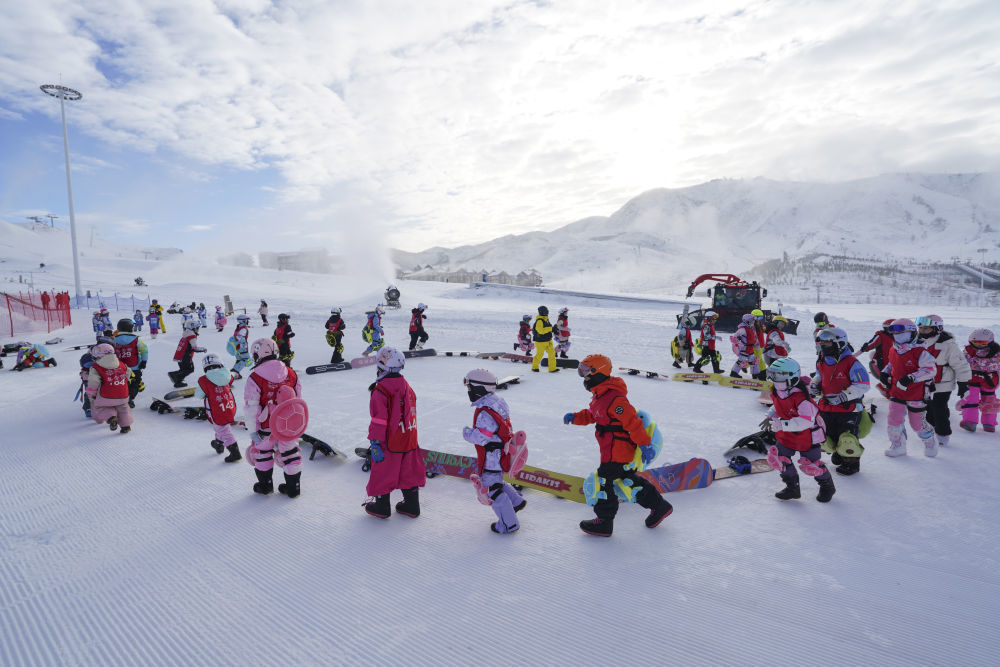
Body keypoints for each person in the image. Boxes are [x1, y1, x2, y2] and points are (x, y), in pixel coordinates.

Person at [564, 354, 673, 537]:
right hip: (611, 451)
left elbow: (633, 423)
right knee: (628, 481)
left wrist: (645, 445)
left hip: (618, 452)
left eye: (586, 372)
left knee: (604, 481)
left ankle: (604, 522)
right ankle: (659, 506)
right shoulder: (601, 395)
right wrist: (575, 417)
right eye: (581, 372)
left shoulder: (615, 399)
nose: (584, 377)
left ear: (597, 372)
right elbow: (593, 414)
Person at [462, 368, 526, 534]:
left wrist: (467, 433)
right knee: (496, 480)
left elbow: (481, 437)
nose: (468, 391)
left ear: (479, 388)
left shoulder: (485, 413)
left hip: (492, 457)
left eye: (469, 387)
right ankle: (516, 502)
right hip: (500, 454)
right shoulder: (497, 402)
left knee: (492, 489)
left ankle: (508, 524)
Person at [364, 347, 425, 518]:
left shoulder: (381, 390)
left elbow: (379, 420)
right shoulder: (406, 386)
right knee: (409, 471)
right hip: (409, 438)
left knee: (383, 472)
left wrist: (375, 442)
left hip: (389, 441)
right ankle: (412, 505)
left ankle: (382, 507)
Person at [764, 358, 836, 502]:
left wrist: (782, 424)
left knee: (811, 464)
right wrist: (771, 415)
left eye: (778, 376)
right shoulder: (778, 391)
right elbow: (778, 406)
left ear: (792, 377)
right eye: (772, 374)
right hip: (787, 435)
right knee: (780, 459)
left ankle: (827, 486)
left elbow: (805, 421)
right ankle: (792, 488)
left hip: (807, 437)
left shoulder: (802, 399)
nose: (773, 379)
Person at [244, 338, 303, 497]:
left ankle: (265, 485)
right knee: (290, 453)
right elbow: (298, 398)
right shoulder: (290, 372)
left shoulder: (255, 378)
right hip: (289, 424)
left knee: (262, 453)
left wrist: (251, 430)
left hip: (265, 425)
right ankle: (294, 487)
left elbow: (251, 408)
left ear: (257, 354)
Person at [809, 327, 870, 475]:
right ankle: (840, 452)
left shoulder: (851, 362)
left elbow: (863, 385)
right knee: (827, 434)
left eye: (827, 343)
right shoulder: (822, 359)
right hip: (827, 406)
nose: (823, 346)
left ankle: (852, 463)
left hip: (848, 408)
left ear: (840, 343)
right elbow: (819, 375)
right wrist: (815, 384)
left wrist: (844, 396)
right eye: (821, 342)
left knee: (847, 437)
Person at [882, 318, 938, 458]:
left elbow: (930, 370)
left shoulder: (920, 352)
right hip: (897, 391)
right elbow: (892, 364)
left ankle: (929, 440)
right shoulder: (893, 349)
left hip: (916, 394)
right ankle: (898, 445)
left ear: (912, 333)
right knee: (893, 420)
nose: (897, 337)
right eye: (895, 334)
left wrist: (911, 378)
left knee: (917, 424)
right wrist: (885, 372)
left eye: (902, 333)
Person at [917, 315, 971, 446]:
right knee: (928, 408)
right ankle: (930, 429)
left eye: (926, 329)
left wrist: (963, 383)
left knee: (939, 409)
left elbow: (961, 365)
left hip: (942, 384)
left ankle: (943, 435)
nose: (922, 331)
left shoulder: (948, 345)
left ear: (937, 329)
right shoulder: (917, 342)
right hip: (924, 384)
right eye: (920, 328)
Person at [196, 354, 242, 463]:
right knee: (221, 427)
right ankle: (218, 443)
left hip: (216, 411)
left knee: (223, 429)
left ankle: (235, 454)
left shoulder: (204, 380)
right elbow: (233, 375)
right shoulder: (227, 375)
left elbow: (198, 395)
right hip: (229, 407)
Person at [86, 343, 134, 434]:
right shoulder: (121, 363)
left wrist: (91, 394)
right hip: (123, 394)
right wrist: (121, 382)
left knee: (101, 406)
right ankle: (126, 426)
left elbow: (93, 382)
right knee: (123, 408)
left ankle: (111, 417)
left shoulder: (96, 367)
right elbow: (128, 372)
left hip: (106, 395)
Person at [960, 328, 1000, 433]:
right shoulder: (968, 350)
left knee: (989, 400)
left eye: (982, 343)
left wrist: (976, 362)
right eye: (975, 342)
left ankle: (989, 423)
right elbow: (963, 361)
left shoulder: (996, 351)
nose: (978, 345)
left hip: (989, 380)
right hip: (972, 378)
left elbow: (995, 364)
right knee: (970, 398)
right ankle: (970, 421)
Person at [113, 318, 148, 408]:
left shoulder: (114, 340)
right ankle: (129, 399)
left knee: (123, 384)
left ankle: (121, 398)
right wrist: (144, 361)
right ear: (130, 328)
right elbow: (144, 350)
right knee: (135, 383)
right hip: (134, 367)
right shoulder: (136, 339)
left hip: (119, 368)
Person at [859, 319, 896, 396]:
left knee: (896, 377)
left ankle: (891, 392)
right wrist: (866, 347)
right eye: (892, 328)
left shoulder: (898, 337)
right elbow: (873, 342)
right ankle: (886, 390)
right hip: (883, 362)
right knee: (889, 378)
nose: (894, 331)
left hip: (895, 362)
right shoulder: (881, 336)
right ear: (886, 328)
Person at [168, 319, 205, 388]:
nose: (198, 330)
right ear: (193, 328)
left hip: (179, 356)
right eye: (197, 328)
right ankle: (177, 380)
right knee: (190, 369)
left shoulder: (185, 334)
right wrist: (203, 349)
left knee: (184, 369)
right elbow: (195, 348)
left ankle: (175, 376)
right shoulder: (192, 336)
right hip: (185, 356)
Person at [729, 313, 759, 378]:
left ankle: (755, 375)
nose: (753, 322)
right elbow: (735, 337)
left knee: (753, 361)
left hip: (750, 348)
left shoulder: (751, 328)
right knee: (741, 360)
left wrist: (756, 343)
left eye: (753, 321)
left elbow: (753, 338)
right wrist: (738, 343)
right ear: (746, 321)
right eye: (751, 321)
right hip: (745, 348)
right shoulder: (743, 329)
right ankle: (733, 373)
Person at [531, 306, 558, 373]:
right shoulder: (539, 321)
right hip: (540, 341)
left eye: (547, 311)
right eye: (546, 311)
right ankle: (534, 367)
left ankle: (552, 368)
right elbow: (541, 331)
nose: (547, 312)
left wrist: (554, 329)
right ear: (541, 312)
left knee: (552, 353)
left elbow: (549, 328)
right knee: (540, 354)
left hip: (548, 340)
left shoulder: (546, 319)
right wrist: (551, 328)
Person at [229, 314, 251, 378]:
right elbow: (238, 337)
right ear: (243, 321)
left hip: (238, 347)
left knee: (239, 359)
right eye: (247, 320)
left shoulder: (238, 327)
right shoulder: (243, 329)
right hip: (242, 347)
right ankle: (235, 372)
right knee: (245, 359)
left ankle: (234, 372)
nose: (248, 321)